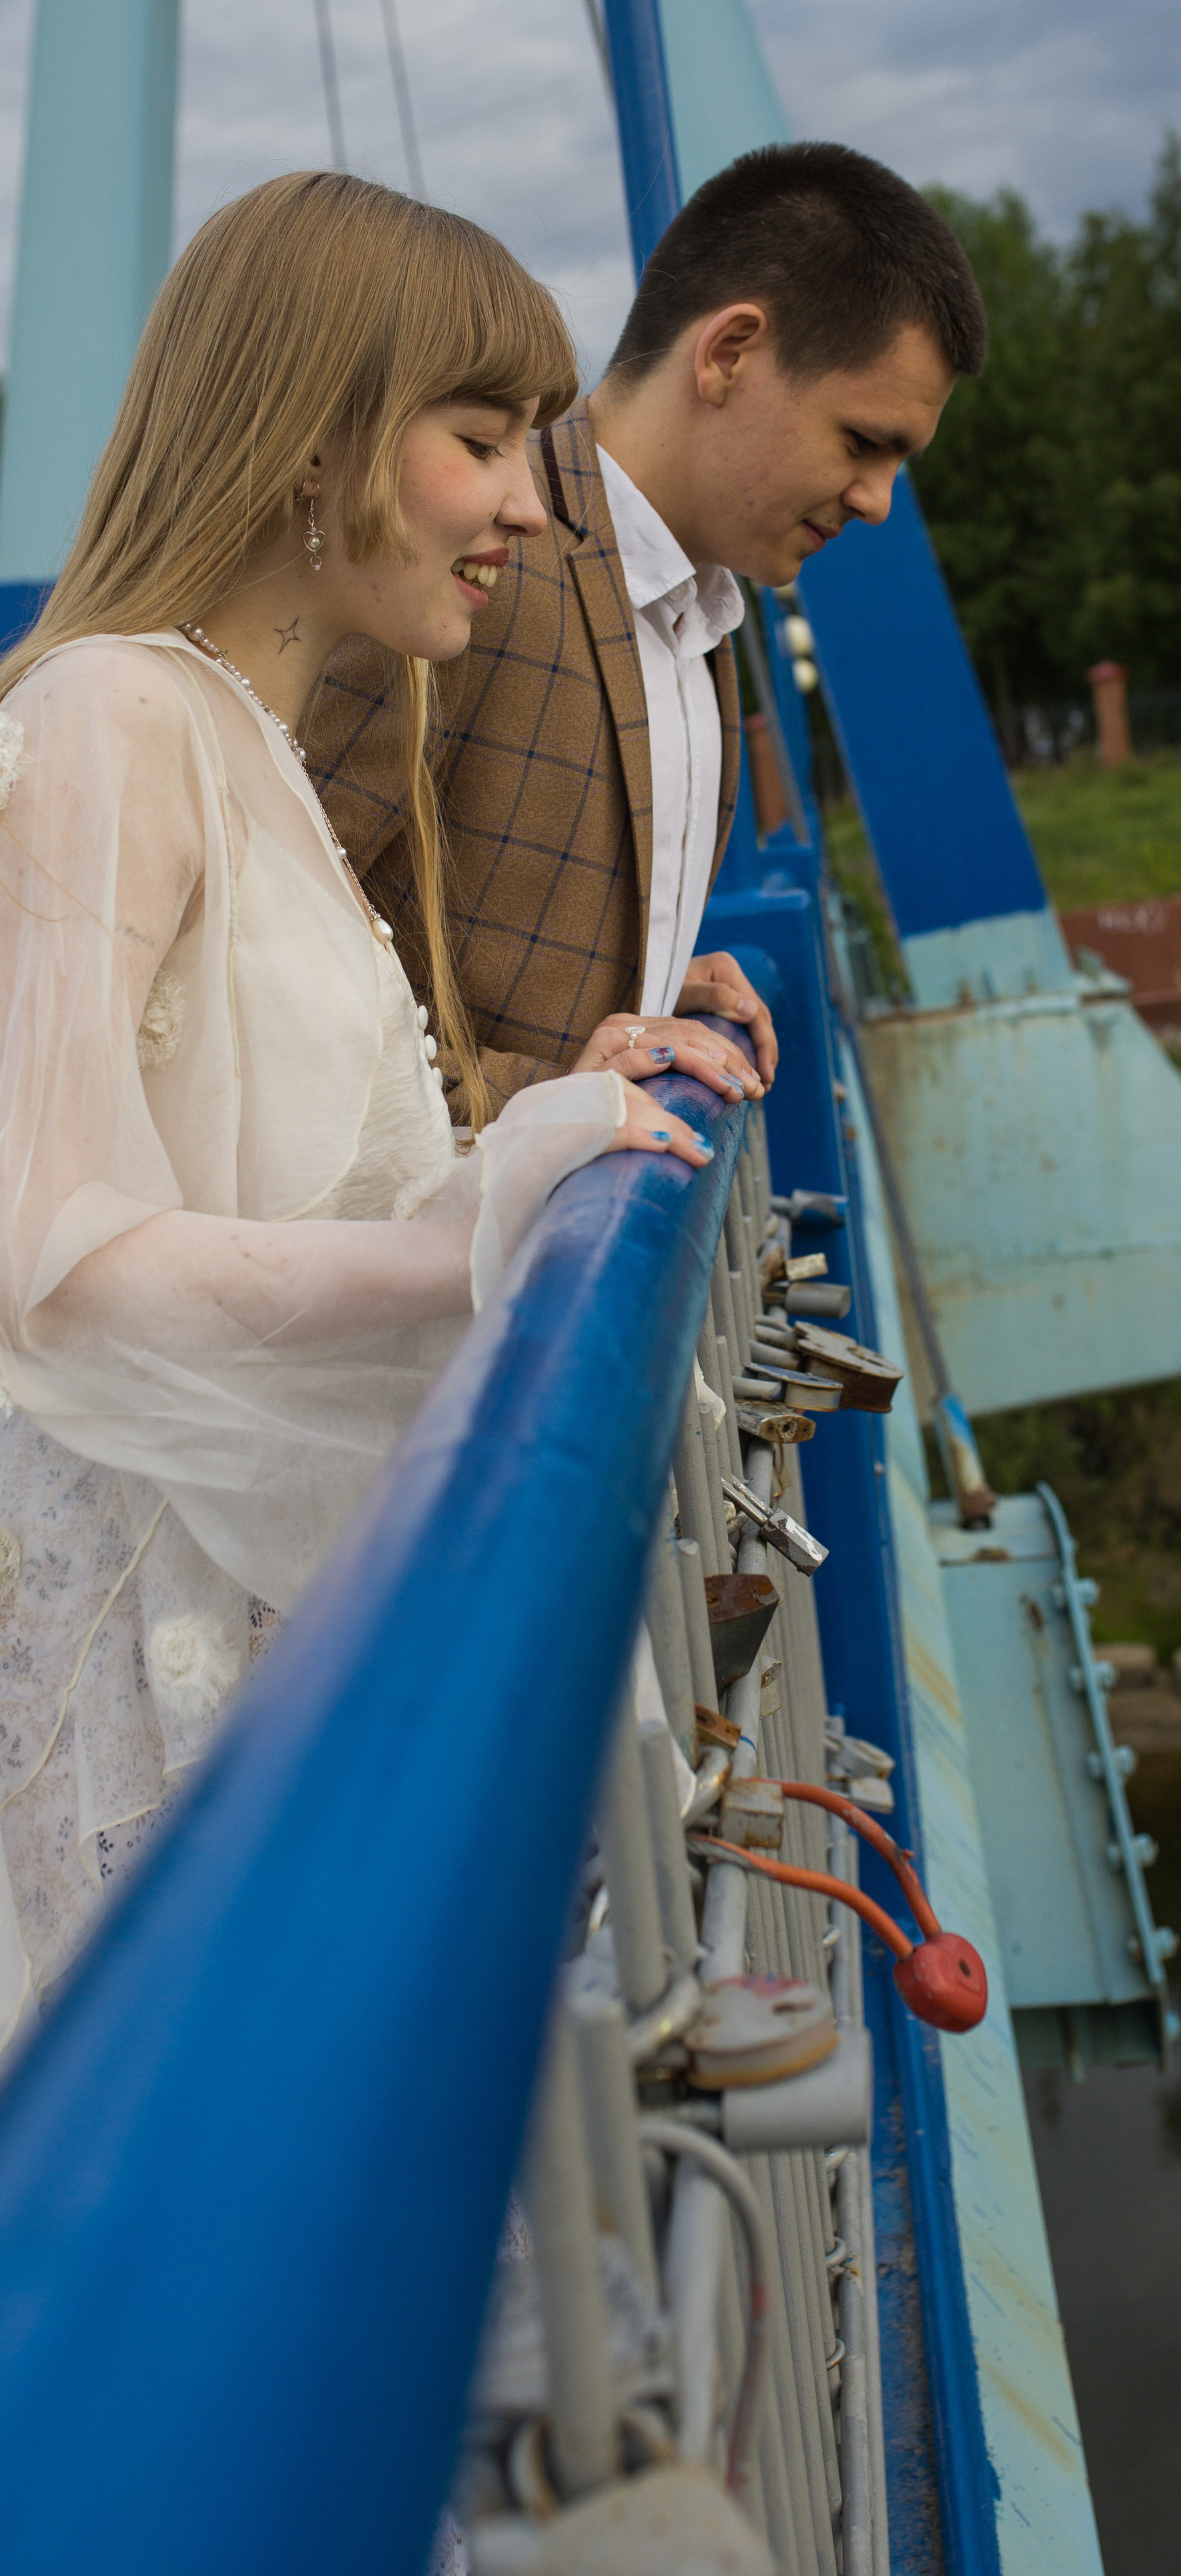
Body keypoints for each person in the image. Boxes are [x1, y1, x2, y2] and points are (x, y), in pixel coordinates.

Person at [0, 172, 731, 2059]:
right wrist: (468, 1236)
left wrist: (538, 1127)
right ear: (313, 439)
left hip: (286, 1658)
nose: (520, 501)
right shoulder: (109, 720)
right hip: (156, 1710)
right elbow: (51, 1261)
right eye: (479, 440)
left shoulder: (257, 749)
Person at [308, 141, 987, 1119]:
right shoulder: (467, 559)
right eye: (863, 442)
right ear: (728, 354)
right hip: (447, 1262)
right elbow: (247, 970)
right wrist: (541, 1097)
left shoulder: (699, 604)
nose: (880, 501)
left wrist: (648, 969)